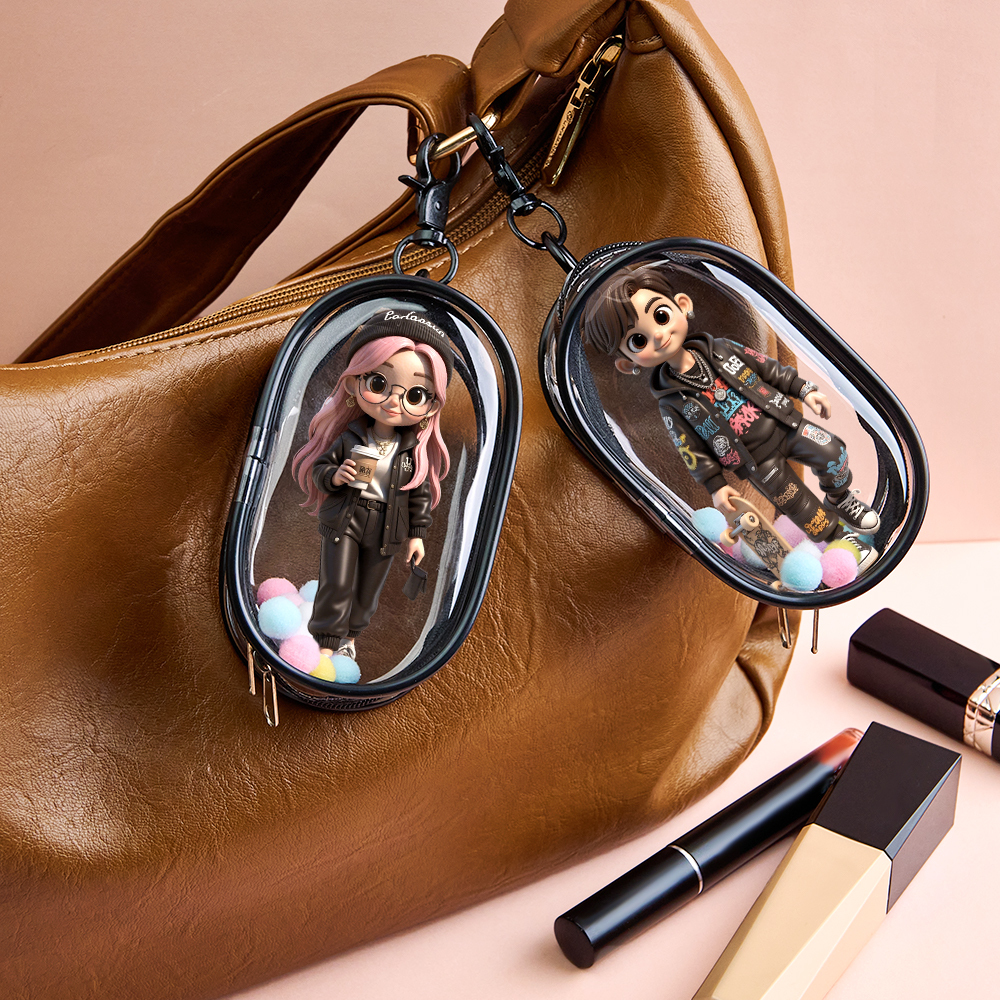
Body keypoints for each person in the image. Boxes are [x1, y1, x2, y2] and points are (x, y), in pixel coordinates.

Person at [580, 262, 879, 560]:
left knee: (833, 451)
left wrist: (804, 390)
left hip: (785, 423)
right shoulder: (672, 402)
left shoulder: (721, 349)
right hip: (755, 461)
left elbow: (767, 368)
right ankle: (839, 540)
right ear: (627, 363)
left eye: (660, 316)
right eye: (638, 340)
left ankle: (840, 499)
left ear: (682, 305)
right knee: (798, 504)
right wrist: (716, 486)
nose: (658, 335)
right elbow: (690, 450)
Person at [291, 309, 452, 664]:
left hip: (387, 526)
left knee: (367, 590)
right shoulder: (350, 438)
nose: (394, 401)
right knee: (336, 582)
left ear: (431, 406)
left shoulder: (412, 451)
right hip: (346, 517)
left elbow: (418, 494)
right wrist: (336, 476)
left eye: (415, 394)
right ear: (353, 383)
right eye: (378, 384)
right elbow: (321, 468)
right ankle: (325, 644)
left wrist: (417, 536)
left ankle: (350, 638)